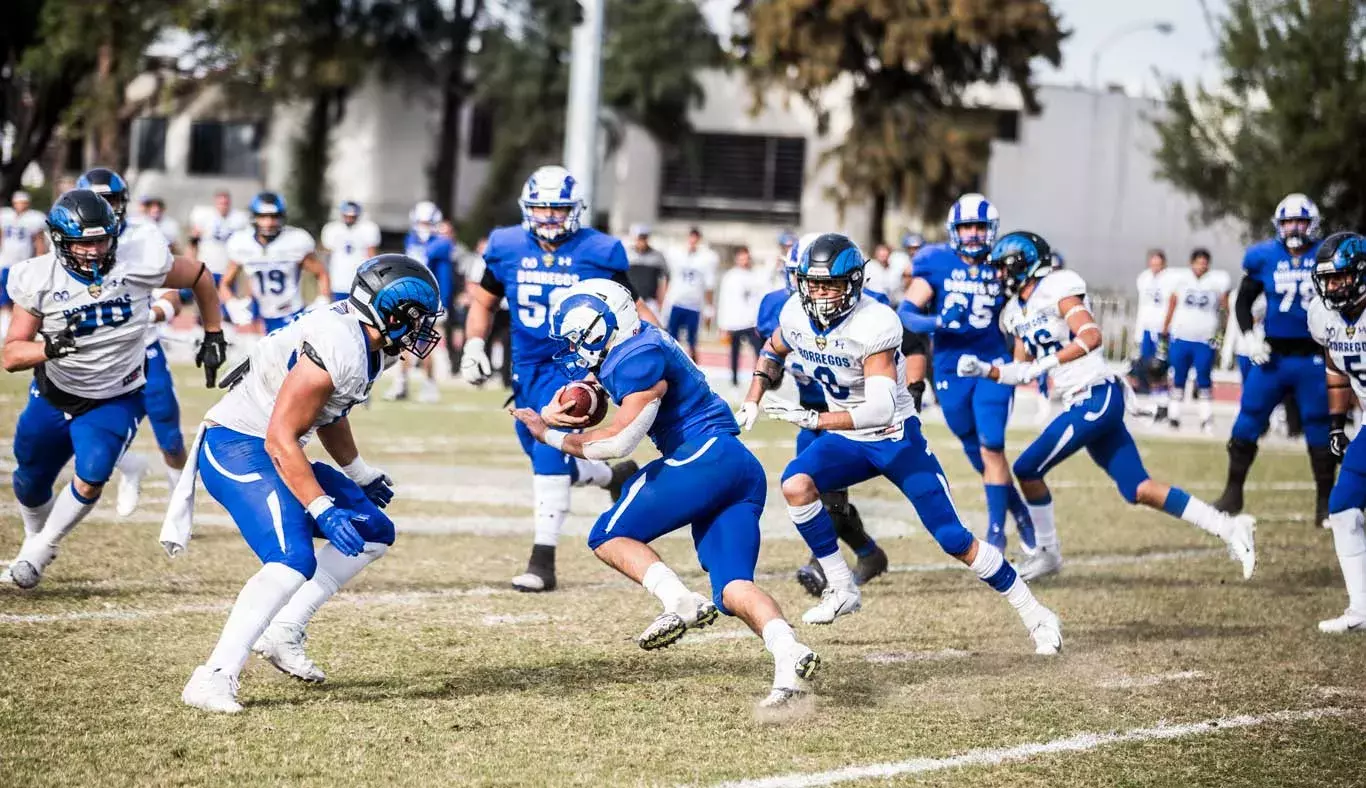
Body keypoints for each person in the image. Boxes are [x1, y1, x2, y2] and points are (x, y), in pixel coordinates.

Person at [737, 232, 1061, 655]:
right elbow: (773, 348)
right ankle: (842, 588)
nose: (819, 294)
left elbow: (878, 410)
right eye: (812, 283)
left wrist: (815, 417)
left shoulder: (876, 321)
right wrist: (752, 397)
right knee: (795, 485)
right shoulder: (795, 312)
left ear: (853, 283)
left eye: (830, 284)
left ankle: (1036, 613)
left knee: (953, 539)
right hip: (847, 438)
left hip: (894, 438)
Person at [510, 279, 820, 707]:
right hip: (736, 467)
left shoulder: (637, 358)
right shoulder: (640, 338)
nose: (576, 350)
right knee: (732, 588)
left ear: (603, 328)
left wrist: (548, 435)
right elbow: (602, 386)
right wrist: (561, 407)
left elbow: (617, 444)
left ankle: (680, 601)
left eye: (580, 339)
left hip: (704, 455)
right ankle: (789, 653)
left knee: (607, 535)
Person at [177, 255, 441, 713]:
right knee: (290, 559)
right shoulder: (339, 344)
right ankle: (213, 675)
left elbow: (328, 412)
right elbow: (281, 437)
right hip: (239, 445)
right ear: (390, 313)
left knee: (374, 532)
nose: (423, 330)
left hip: (273, 444)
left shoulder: (369, 340)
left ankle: (284, 630)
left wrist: (360, 473)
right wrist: (321, 506)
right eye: (416, 318)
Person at [957, 231, 1257, 583]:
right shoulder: (1013, 312)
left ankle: (1049, 553)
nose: (998, 276)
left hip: (1096, 395)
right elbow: (1022, 369)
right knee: (1138, 489)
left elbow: (1091, 336)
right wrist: (985, 370)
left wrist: (1047, 363)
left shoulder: (1057, 287)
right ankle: (1229, 526)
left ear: (1024, 265)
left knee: (1026, 467)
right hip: (1083, 399)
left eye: (1003, 268)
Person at [1, 189, 226, 589]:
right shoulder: (38, 277)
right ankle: (36, 537)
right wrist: (48, 347)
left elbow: (199, 275)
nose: (93, 250)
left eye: (101, 239)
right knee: (29, 481)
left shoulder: (137, 260)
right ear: (59, 240)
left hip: (116, 394)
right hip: (54, 393)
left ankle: (39, 550)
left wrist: (213, 333)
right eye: (83, 242)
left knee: (92, 474)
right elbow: (12, 354)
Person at [461, 165, 654, 592]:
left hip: (575, 367)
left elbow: (633, 307)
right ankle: (613, 477)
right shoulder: (505, 245)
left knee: (550, 459)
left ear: (576, 209)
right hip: (525, 369)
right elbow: (483, 302)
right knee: (545, 458)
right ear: (527, 209)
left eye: (558, 208)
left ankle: (541, 561)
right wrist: (474, 344)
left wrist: (665, 350)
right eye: (541, 208)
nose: (549, 216)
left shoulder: (599, 250)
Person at [897, 194, 1036, 554]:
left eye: (979, 227)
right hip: (948, 366)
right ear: (954, 230)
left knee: (992, 444)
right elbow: (907, 313)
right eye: (966, 227)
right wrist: (940, 321)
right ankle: (1017, 509)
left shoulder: (1003, 261)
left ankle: (996, 531)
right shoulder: (936, 261)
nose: (973, 234)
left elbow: (1029, 307)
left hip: (993, 364)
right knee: (972, 445)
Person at [755, 233, 888, 596]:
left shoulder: (867, 309)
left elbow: (902, 352)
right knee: (816, 491)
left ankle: (822, 566)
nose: (817, 289)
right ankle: (868, 553)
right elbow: (772, 358)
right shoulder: (777, 308)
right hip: (808, 411)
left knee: (827, 494)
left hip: (849, 413)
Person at [74, 167, 191, 515]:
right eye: (96, 202)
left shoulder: (146, 236)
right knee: (79, 429)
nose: (104, 209)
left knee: (169, 434)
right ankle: (131, 466)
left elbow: (172, 295)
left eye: (109, 200)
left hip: (143, 349)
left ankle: (179, 506)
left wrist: (151, 315)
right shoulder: (65, 241)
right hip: (92, 352)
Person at [1214, 193, 1333, 525]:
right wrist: (1249, 336)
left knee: (1319, 429)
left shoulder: (1327, 255)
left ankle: (1324, 506)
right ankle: (1232, 494)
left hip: (1313, 356)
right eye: (1287, 222)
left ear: (1313, 224)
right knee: (1247, 421)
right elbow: (1242, 302)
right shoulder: (1263, 256)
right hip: (1273, 357)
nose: (1294, 228)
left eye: (1300, 221)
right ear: (1278, 225)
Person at [1306, 232, 1366, 633]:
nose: (1332, 287)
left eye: (1340, 278)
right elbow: (1335, 365)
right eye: (1326, 280)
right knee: (1343, 508)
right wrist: (1335, 423)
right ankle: (1361, 607)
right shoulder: (1323, 315)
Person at [220, 192, 329, 334]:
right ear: (254, 217)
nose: (269, 222)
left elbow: (321, 274)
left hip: (291, 313)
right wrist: (232, 304)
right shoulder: (242, 243)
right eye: (263, 216)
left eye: (274, 217)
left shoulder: (295, 240)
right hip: (260, 315)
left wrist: (322, 300)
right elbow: (225, 283)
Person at [386, 200, 454, 403]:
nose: (423, 226)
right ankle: (401, 382)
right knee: (403, 342)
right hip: (410, 298)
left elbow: (445, 276)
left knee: (426, 344)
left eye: (427, 223)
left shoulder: (442, 244)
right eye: (421, 222)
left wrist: (443, 302)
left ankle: (429, 384)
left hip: (431, 300)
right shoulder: (411, 240)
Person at [1161, 248, 1231, 433]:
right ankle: (1174, 416)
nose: (1202, 265)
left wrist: (1222, 332)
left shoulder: (1217, 281)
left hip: (1204, 338)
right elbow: (1172, 305)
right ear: (1191, 263)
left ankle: (1205, 418)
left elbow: (1225, 308)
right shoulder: (1181, 280)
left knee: (1204, 378)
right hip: (1182, 336)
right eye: (1199, 262)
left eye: (1204, 262)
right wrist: (1165, 329)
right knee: (1178, 377)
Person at [664, 226, 718, 362]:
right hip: (677, 302)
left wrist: (709, 308)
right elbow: (667, 277)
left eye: (696, 238)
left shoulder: (706, 258)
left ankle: (693, 367)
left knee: (692, 342)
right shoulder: (676, 253)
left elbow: (709, 285)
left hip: (694, 305)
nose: (693, 241)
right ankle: (671, 364)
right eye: (691, 237)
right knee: (671, 339)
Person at [1, 190, 49, 338]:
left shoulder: (34, 219)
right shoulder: (5, 216)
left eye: (23, 202)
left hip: (24, 264)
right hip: (6, 262)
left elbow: (39, 241)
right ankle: (5, 325)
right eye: (18, 202)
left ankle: (26, 327)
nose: (20, 206)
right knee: (4, 295)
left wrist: (40, 260)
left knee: (25, 296)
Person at [1130, 249, 1173, 413]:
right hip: (1147, 329)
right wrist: (1139, 332)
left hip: (1162, 330)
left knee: (1160, 366)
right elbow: (1143, 305)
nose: (1155, 266)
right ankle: (1155, 402)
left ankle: (1164, 403)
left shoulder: (1170, 279)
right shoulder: (1144, 278)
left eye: (1158, 263)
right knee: (1147, 365)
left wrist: (1167, 327)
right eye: (1152, 263)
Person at [716, 246, 765, 387]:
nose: (744, 260)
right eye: (741, 257)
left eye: (746, 257)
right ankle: (734, 381)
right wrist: (722, 324)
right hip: (734, 322)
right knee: (734, 353)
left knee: (759, 353)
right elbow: (723, 301)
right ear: (736, 258)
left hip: (751, 322)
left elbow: (758, 299)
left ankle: (759, 381)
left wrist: (758, 321)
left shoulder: (755, 275)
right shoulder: (730, 277)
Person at [321, 200, 380, 301]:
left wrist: (374, 280)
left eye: (352, 216)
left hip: (360, 282)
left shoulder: (368, 228)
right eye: (347, 216)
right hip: (337, 281)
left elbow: (372, 256)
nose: (349, 219)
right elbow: (326, 256)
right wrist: (324, 282)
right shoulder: (331, 229)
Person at [188, 190, 250, 287]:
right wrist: (191, 263)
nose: (223, 206)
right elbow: (193, 243)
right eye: (220, 203)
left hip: (228, 270)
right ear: (215, 203)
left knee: (227, 301)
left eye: (226, 203)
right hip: (206, 268)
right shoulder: (204, 216)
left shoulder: (239, 218)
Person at [625, 224, 668, 315]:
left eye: (644, 238)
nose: (642, 241)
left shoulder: (657, 256)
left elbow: (664, 280)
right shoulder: (627, 254)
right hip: (630, 300)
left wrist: (661, 301)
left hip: (650, 302)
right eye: (640, 238)